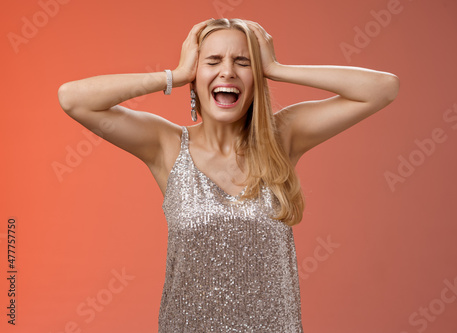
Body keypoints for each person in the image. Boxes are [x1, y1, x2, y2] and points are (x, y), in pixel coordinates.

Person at [58, 18, 399, 333]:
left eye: (242, 61)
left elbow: (383, 88)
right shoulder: (167, 145)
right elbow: (73, 99)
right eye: (213, 61)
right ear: (196, 74)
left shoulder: (282, 137)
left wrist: (277, 69)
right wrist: (174, 76)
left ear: (257, 77)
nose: (227, 72)